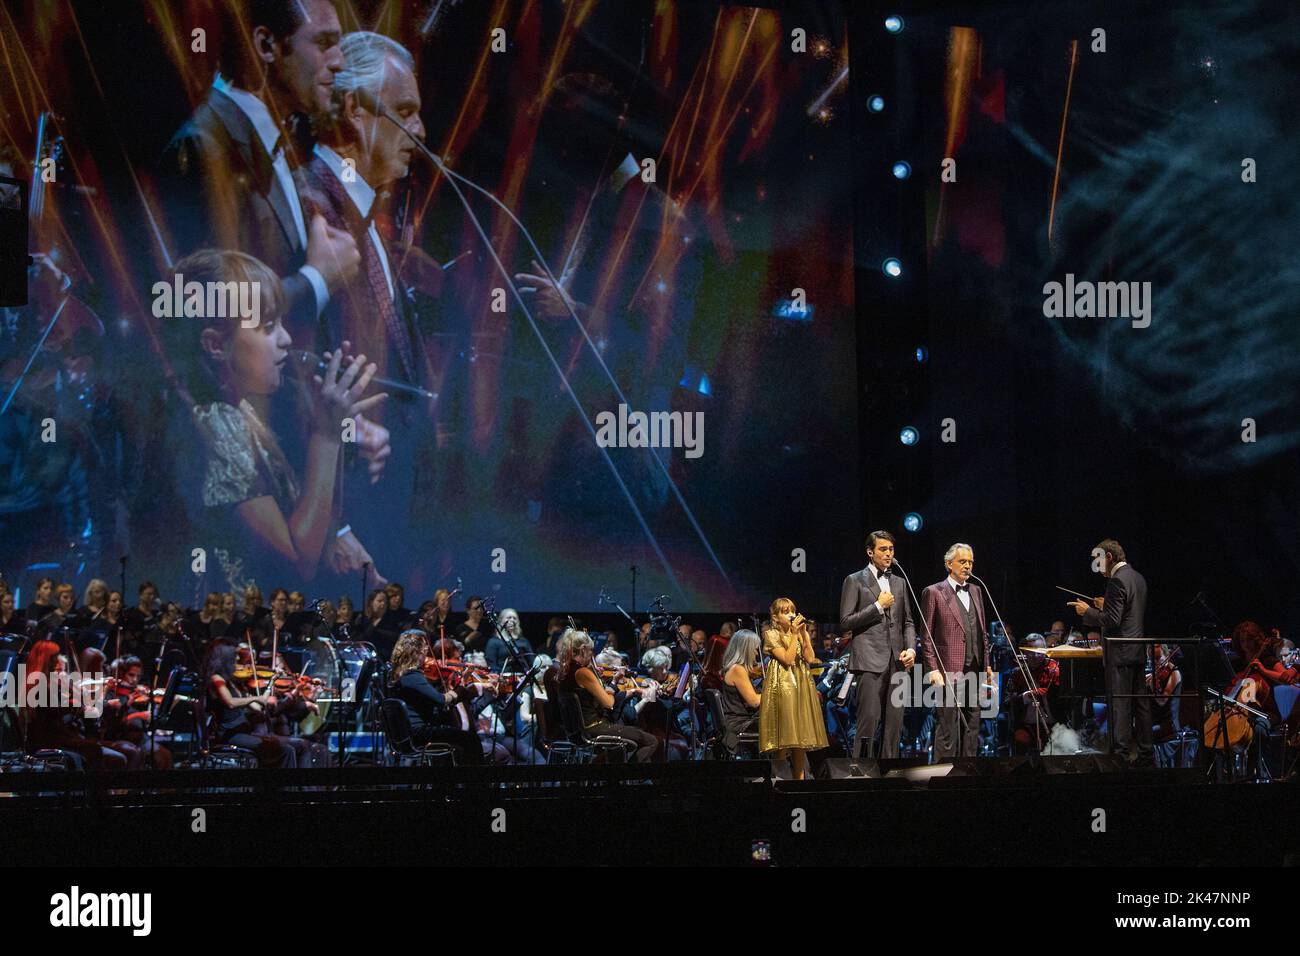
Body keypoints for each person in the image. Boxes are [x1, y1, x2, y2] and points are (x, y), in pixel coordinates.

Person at [161, 248, 384, 592]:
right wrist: (326, 437)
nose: (286, 339)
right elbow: (298, 562)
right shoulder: (215, 425)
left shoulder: (236, 411)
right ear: (216, 345)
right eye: (268, 327)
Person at [1067, 539, 1151, 766]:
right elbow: (1127, 614)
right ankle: (1146, 754)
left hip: (1120, 653)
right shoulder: (1137, 577)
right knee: (1140, 705)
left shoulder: (1116, 581)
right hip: (1137, 651)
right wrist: (1106, 605)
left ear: (1109, 558)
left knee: (1120, 706)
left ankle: (1121, 756)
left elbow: (1112, 621)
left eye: (1098, 560)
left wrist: (1088, 611)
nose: (1097, 565)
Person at [839, 530, 917, 758]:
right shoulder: (854, 580)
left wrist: (911, 648)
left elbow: (909, 622)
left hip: (898, 662)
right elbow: (845, 621)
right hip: (869, 661)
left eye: (891, 549)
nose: (888, 553)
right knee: (869, 722)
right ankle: (862, 772)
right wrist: (877, 607)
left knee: (894, 727)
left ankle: (890, 776)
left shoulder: (900, 583)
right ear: (870, 552)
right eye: (883, 549)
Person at [920, 543, 993, 760]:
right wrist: (932, 669)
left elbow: (981, 630)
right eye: (963, 561)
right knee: (947, 725)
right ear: (949, 564)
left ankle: (968, 770)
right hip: (947, 669)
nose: (968, 566)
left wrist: (987, 663)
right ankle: (943, 772)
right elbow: (926, 636)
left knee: (972, 723)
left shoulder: (977, 591)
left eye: (970, 562)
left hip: (975, 666)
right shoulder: (933, 592)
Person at [202, 641, 310, 768]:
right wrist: (255, 698)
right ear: (225, 659)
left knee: (289, 748)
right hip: (231, 735)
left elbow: (259, 706)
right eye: (234, 656)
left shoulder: (232, 682)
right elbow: (230, 702)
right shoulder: (217, 679)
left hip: (244, 732)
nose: (237, 659)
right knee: (285, 751)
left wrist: (271, 683)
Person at [555, 629, 658, 762]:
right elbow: (608, 703)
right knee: (651, 741)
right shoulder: (582, 673)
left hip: (577, 732)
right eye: (591, 651)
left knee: (621, 748)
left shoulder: (565, 672)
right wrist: (614, 682)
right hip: (594, 728)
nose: (592, 655)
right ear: (583, 650)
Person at [387, 629, 488, 764]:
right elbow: (442, 700)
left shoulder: (399, 676)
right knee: (470, 739)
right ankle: (476, 782)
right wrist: (461, 687)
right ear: (417, 652)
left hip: (409, 734)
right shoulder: (412, 676)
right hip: (419, 734)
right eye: (424, 649)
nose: (426, 653)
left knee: (458, 739)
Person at [758, 598, 828, 779]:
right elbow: (788, 659)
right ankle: (780, 781)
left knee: (800, 739)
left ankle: (799, 782)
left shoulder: (798, 633)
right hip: (782, 686)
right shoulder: (771, 634)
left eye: (792, 611)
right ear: (775, 617)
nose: (791, 615)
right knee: (783, 737)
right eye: (785, 611)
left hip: (800, 686)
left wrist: (804, 635)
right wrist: (795, 635)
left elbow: (810, 658)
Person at [719, 629, 762, 754]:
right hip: (739, 724)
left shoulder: (736, 668)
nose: (756, 653)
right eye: (754, 649)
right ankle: (779, 766)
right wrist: (774, 691)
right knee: (781, 724)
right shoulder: (737, 669)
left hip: (739, 720)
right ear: (746, 650)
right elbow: (754, 702)